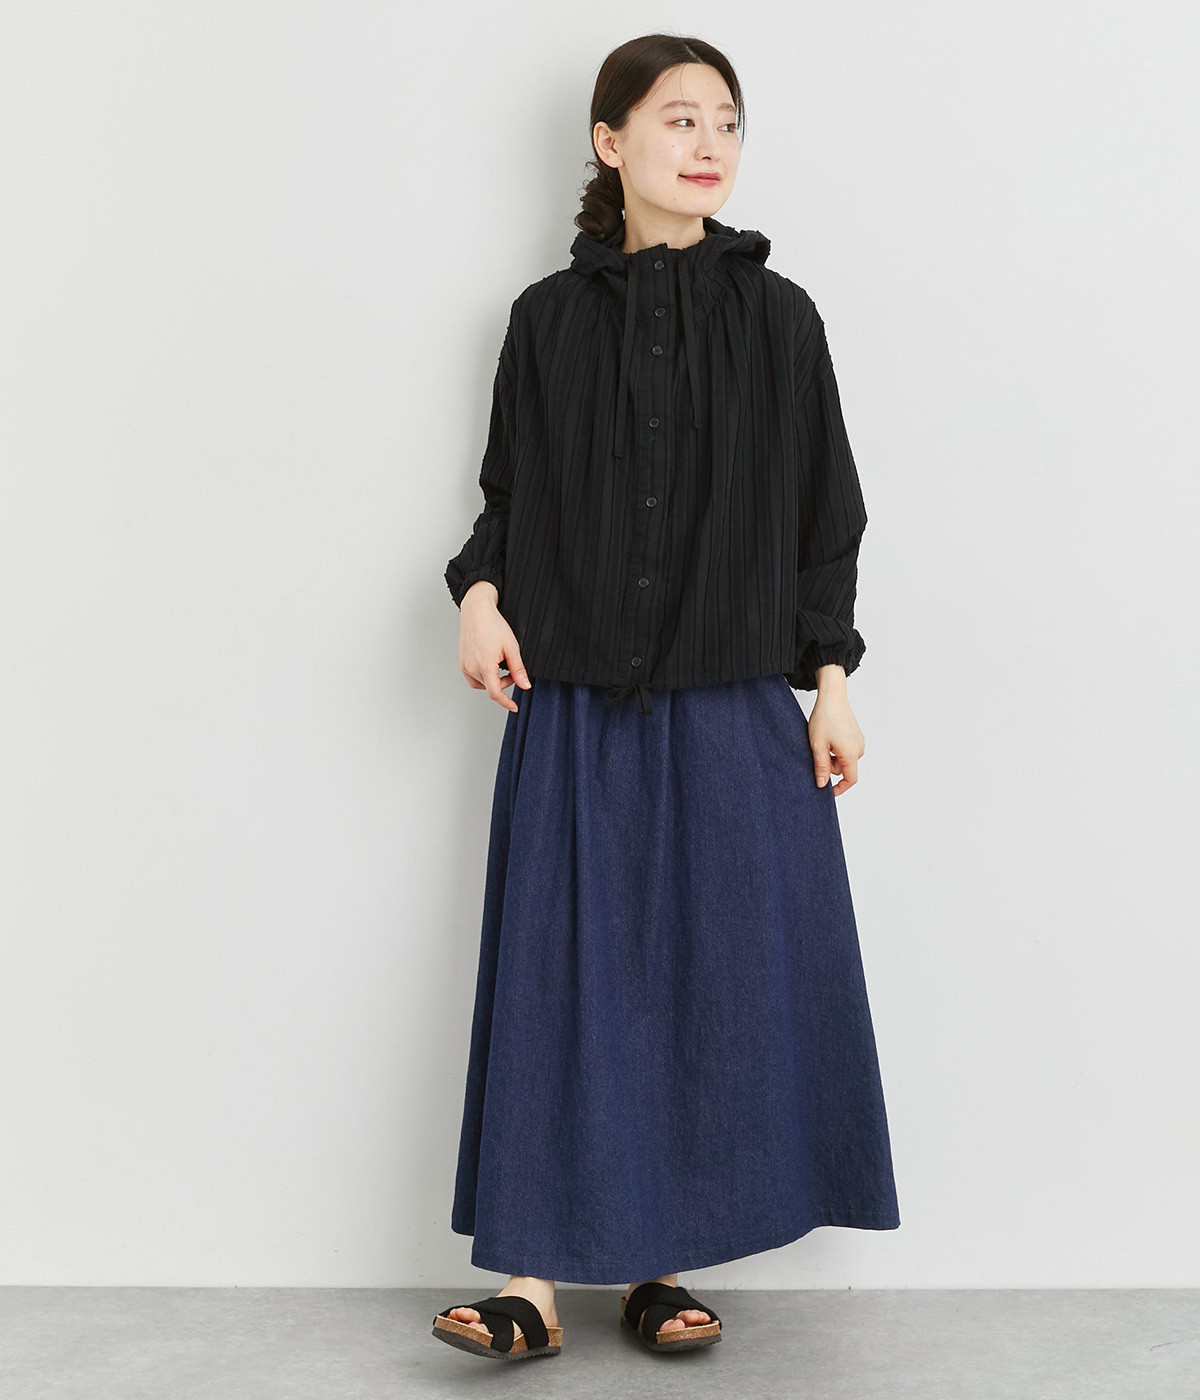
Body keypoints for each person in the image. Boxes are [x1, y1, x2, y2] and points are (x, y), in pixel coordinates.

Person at [431, 34, 901, 1362]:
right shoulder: (545, 320)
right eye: (680, 117)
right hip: (574, 701)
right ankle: (528, 1285)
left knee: (712, 985)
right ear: (611, 140)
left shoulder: (780, 319)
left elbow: (825, 518)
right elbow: (508, 500)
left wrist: (830, 681)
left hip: (734, 701)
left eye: (727, 122)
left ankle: (658, 1267)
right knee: (562, 980)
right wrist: (478, 597)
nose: (708, 144)